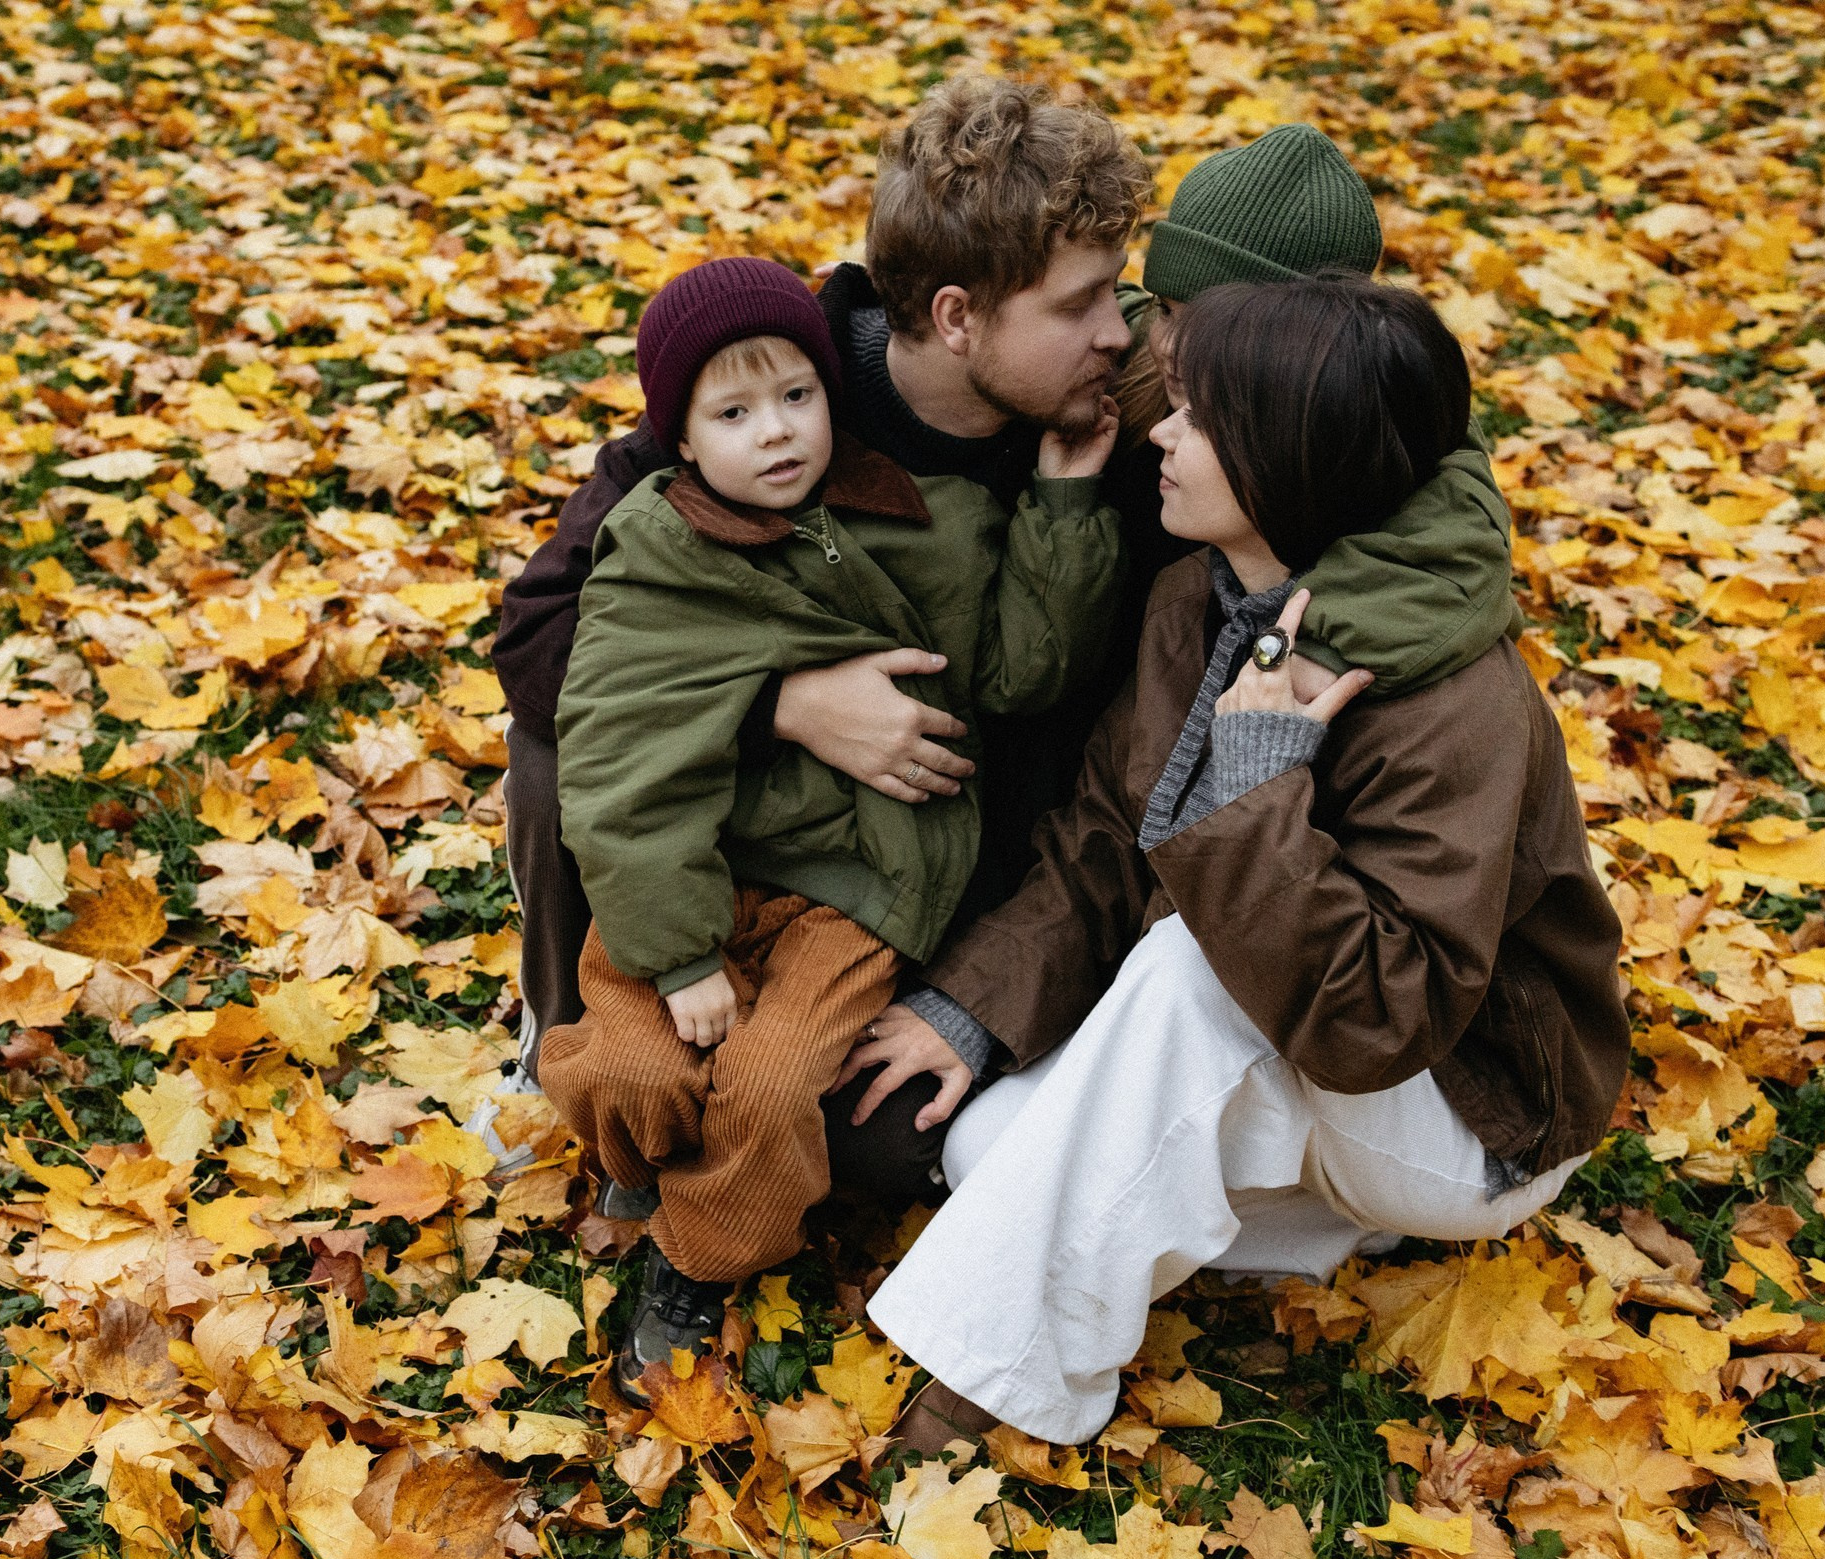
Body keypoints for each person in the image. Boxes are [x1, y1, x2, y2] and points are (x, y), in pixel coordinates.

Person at [496, 94, 1525, 1194]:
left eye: (1124, 292)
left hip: (970, 847)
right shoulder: (773, 396)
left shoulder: (1150, 420)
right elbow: (544, 630)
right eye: (1084, 303)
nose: (1120, 331)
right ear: (954, 317)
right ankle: (565, 1036)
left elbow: (1419, 461)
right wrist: (784, 705)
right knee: (555, 752)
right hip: (753, 804)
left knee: (875, 1142)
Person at [841, 277, 1629, 1450]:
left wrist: (1261, 787)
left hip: (1469, 1109)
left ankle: (993, 1388)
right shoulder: (1200, 599)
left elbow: (1375, 1018)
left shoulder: (1452, 699)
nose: (1158, 433)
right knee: (985, 1147)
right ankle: (1310, 1229)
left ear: (1284, 460)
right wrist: (973, 1007)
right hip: (1297, 1052)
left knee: (1183, 970)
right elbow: (1105, 839)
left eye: (1196, 418)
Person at [536, 255, 1123, 1396]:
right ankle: (642, 1157)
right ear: (679, 438)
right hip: (699, 875)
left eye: (797, 395)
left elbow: (1022, 670)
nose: (776, 431)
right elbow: (615, 760)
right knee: (630, 1064)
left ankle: (699, 1258)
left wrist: (1061, 505)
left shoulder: (925, 514)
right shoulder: (656, 547)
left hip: (856, 888)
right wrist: (679, 953)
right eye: (733, 413)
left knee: (766, 1089)